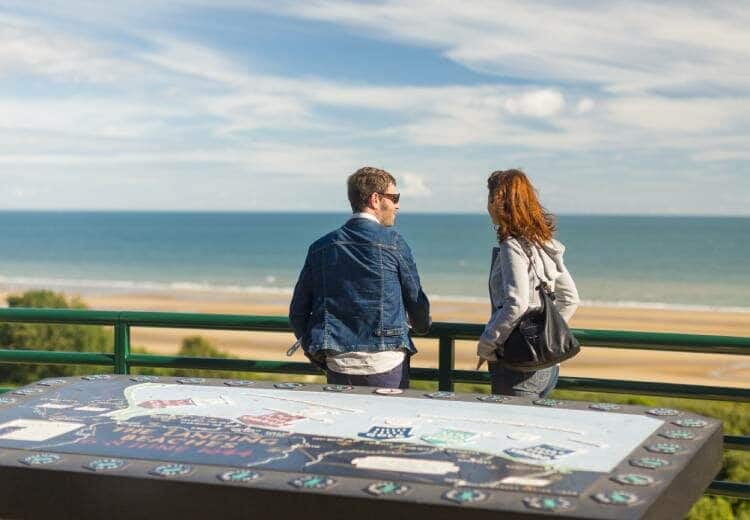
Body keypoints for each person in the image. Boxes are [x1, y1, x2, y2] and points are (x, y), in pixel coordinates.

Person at [289, 166, 431, 388]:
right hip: (386, 363)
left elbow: (298, 312)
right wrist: (422, 326)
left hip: (338, 364)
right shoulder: (393, 243)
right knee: (388, 421)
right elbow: (416, 300)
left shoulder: (321, 247)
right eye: (394, 198)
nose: (397, 205)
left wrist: (317, 350)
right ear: (375, 199)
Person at [477, 169, 580, 397]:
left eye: (489, 199)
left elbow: (517, 303)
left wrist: (486, 345)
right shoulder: (544, 242)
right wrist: (545, 337)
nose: (487, 207)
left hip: (519, 367)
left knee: (510, 430)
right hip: (548, 365)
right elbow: (570, 299)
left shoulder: (512, 245)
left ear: (498, 202)